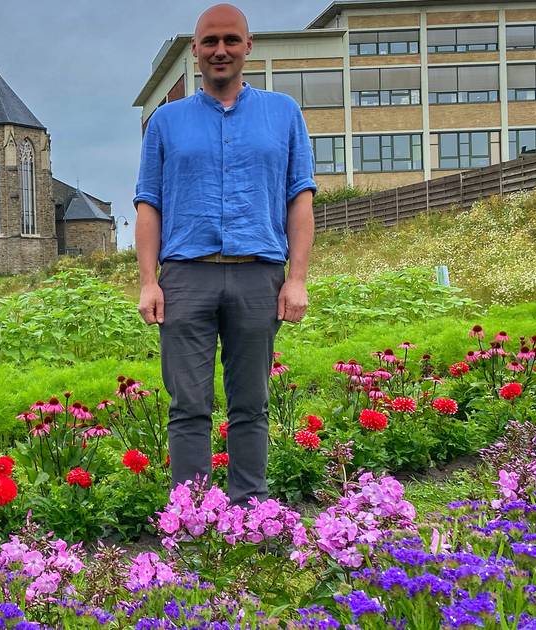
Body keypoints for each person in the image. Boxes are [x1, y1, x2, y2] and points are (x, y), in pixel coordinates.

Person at [133, 3, 315, 507]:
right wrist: (149, 281)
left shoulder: (283, 114)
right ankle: (191, 517)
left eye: (230, 40)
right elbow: (149, 203)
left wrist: (296, 278)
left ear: (248, 46)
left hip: (259, 277)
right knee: (189, 404)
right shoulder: (166, 122)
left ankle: (249, 512)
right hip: (186, 279)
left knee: (250, 404)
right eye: (210, 41)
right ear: (194, 50)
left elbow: (300, 197)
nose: (220, 50)